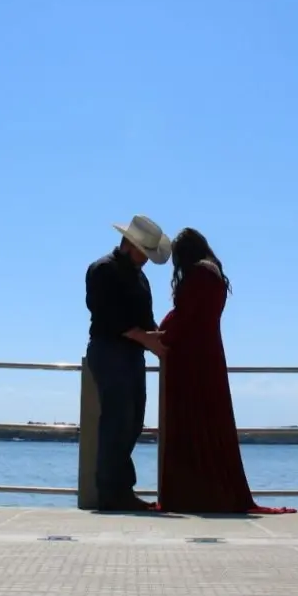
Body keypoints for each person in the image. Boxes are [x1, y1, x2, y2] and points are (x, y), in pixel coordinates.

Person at [157, 228, 297, 516]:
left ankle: (191, 494)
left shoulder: (198, 276)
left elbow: (184, 318)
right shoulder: (215, 274)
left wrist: (159, 332)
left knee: (190, 421)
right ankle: (210, 491)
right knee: (212, 421)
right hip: (210, 354)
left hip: (191, 357)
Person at [85, 215, 170, 512]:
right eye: (143, 252)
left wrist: (160, 337)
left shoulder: (139, 277)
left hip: (132, 355)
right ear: (130, 244)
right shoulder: (102, 270)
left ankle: (119, 490)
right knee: (117, 420)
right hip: (109, 351)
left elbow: (145, 320)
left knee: (132, 422)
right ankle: (111, 492)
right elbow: (107, 316)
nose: (146, 260)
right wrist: (145, 338)